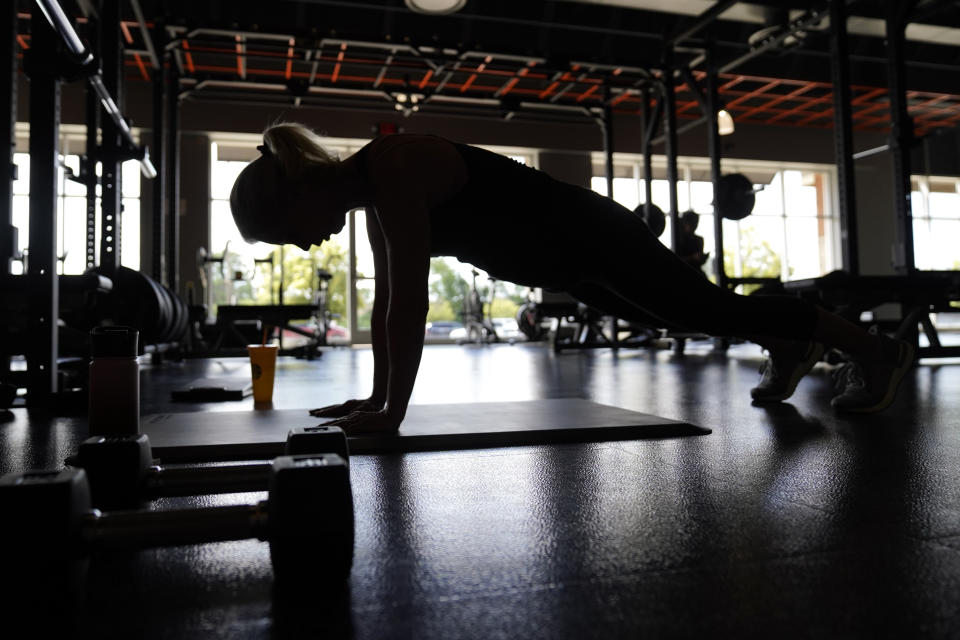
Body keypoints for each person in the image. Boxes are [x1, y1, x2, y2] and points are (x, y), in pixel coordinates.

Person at [229, 122, 914, 434]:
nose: (299, 241)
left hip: (590, 234)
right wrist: (371, 399)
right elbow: (385, 304)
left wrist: (392, 414)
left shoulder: (394, 169)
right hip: (569, 262)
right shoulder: (373, 196)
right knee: (685, 316)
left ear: (296, 195)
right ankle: (790, 344)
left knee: (703, 309)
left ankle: (868, 347)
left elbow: (409, 302)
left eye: (286, 230)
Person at [675, 210, 709, 275]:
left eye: (696, 223)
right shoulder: (678, 240)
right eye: (692, 222)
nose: (695, 225)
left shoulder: (699, 240)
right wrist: (693, 258)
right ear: (685, 223)